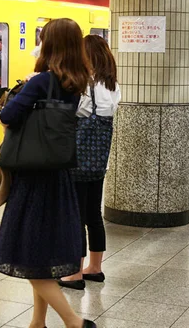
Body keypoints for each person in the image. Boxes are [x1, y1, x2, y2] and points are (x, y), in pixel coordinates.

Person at [0, 18, 96, 328]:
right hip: (57, 177)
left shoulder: (40, 82)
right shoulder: (76, 83)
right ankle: (37, 322)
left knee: (27, 255)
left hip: (32, 179)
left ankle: (74, 322)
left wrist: (24, 87)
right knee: (39, 254)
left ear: (50, 45)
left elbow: (7, 117)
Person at [59, 34, 120, 291]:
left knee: (75, 217)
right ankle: (95, 268)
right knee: (93, 215)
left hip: (77, 161)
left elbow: (68, 113)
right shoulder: (113, 86)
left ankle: (73, 273)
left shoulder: (83, 86)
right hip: (98, 161)